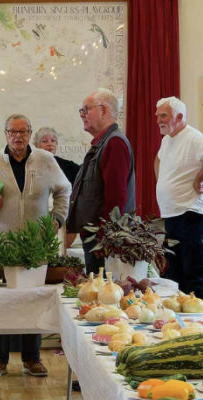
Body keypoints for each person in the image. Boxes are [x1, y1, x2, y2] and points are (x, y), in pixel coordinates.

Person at [0, 114, 71, 379]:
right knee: (0, 302)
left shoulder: (46, 161)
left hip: (36, 245)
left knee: (32, 300)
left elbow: (64, 190)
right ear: (5, 134)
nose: (18, 137)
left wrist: (58, 218)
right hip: (1, 246)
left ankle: (32, 359)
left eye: (23, 132)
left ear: (29, 133)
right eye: (12, 132)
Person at [154, 97, 203, 300]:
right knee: (175, 273)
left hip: (193, 214)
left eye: (164, 115)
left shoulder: (192, 137)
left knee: (194, 273)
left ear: (180, 116)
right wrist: (163, 183)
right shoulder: (167, 139)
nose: (159, 119)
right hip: (174, 214)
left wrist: (199, 179)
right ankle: (181, 326)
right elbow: (157, 160)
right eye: (157, 115)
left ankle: (200, 327)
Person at [66, 88, 136, 275]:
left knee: (104, 296)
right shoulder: (104, 142)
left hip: (103, 241)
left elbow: (116, 197)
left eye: (86, 109)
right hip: (97, 238)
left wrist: (106, 238)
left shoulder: (114, 143)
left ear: (104, 111)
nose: (82, 115)